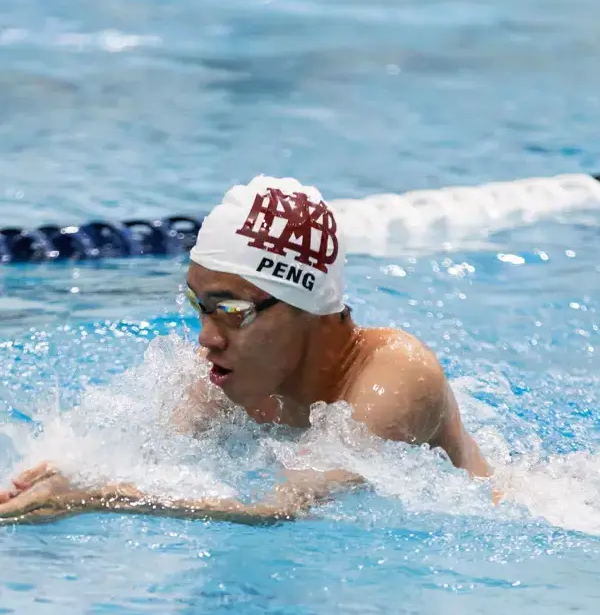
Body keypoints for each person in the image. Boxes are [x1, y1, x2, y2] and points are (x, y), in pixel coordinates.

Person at [0, 175, 494, 525]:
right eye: (199, 307)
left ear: (309, 309)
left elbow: (278, 509)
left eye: (231, 311)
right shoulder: (236, 374)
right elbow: (154, 461)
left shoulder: (397, 378)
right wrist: (73, 474)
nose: (206, 338)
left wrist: (92, 499)